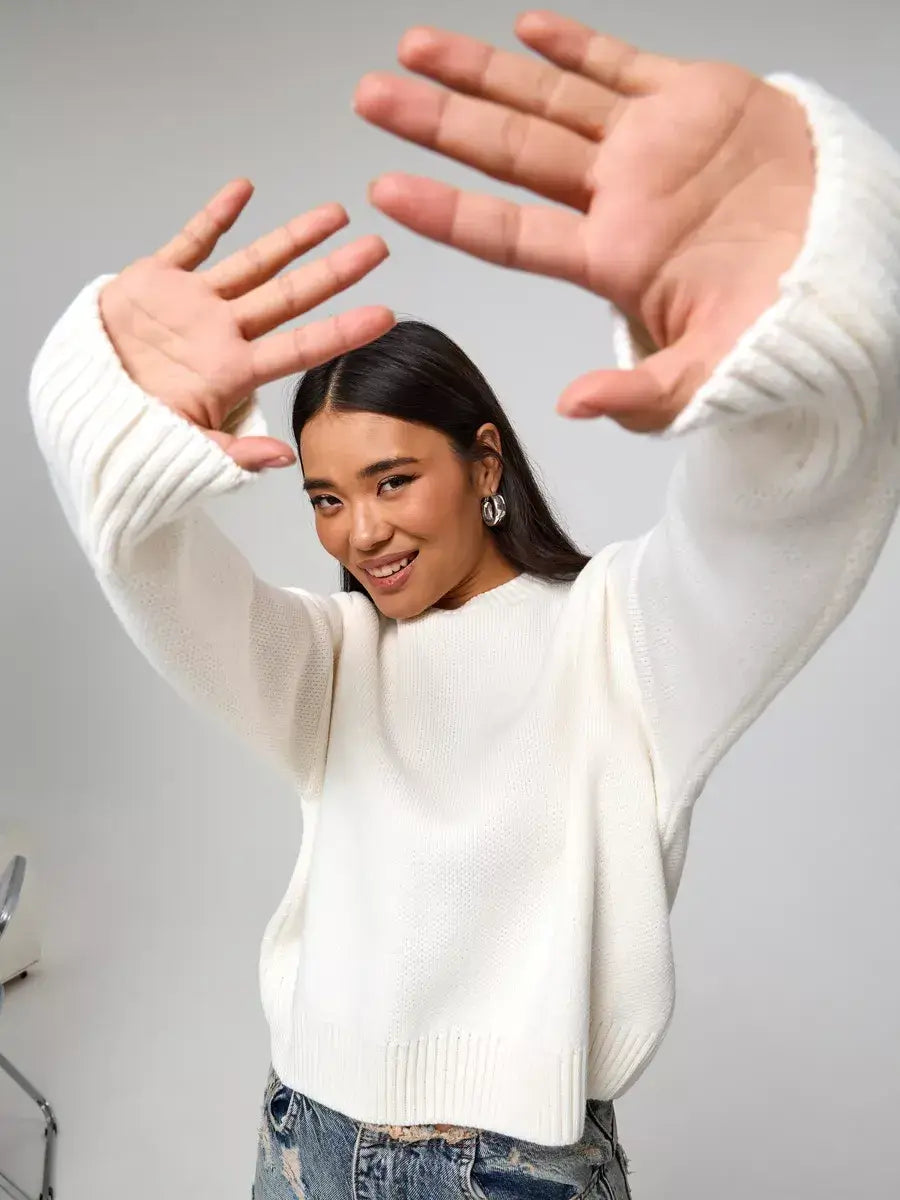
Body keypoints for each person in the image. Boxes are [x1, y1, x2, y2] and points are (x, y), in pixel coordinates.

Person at [26, 8, 900, 1199]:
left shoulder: (618, 636)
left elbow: (789, 509)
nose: (362, 531)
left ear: (485, 463)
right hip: (305, 1141)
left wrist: (822, 269)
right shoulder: (328, 663)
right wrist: (102, 400)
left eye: (393, 480)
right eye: (327, 498)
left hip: (518, 1172)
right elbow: (144, 558)